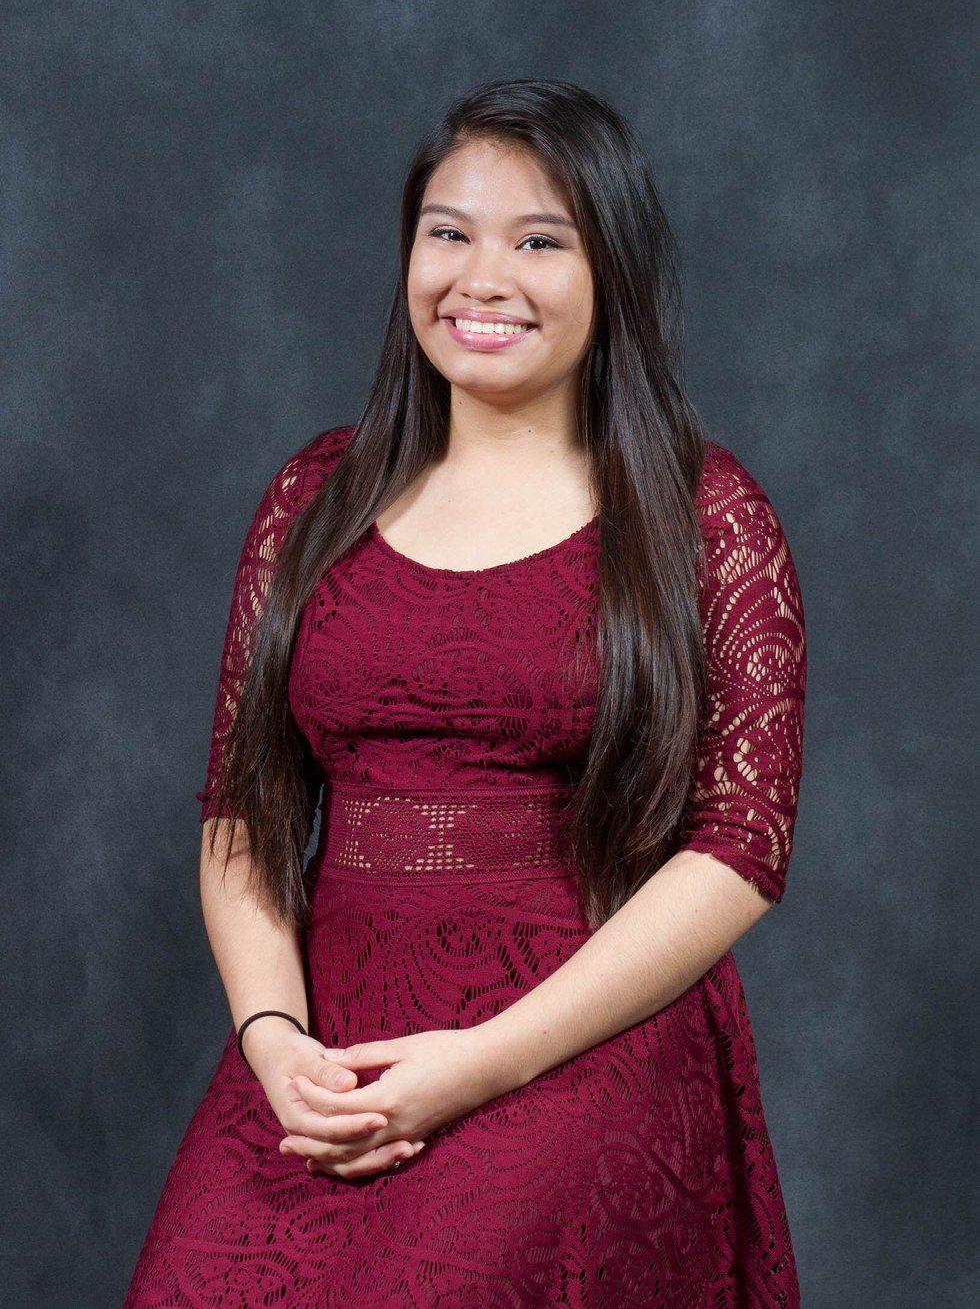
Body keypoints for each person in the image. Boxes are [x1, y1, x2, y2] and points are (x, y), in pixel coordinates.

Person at [124, 77, 807, 1308]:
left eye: (539, 242)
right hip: (327, 1048)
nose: (480, 279)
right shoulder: (313, 498)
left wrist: (480, 1064)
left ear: (611, 274)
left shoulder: (704, 515)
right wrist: (272, 1040)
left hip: (578, 1034)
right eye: (449, 233)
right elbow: (241, 811)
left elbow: (737, 849)